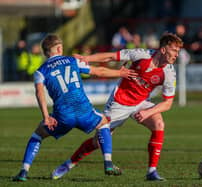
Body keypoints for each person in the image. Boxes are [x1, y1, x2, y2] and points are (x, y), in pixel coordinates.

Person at [51, 33, 183, 181]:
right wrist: (86, 59)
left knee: (159, 124)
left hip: (141, 103)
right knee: (97, 142)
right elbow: (112, 56)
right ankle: (69, 164)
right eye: (174, 50)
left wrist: (148, 112)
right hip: (119, 102)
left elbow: (168, 103)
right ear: (164, 50)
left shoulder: (169, 73)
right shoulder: (142, 54)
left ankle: (152, 171)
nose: (177, 55)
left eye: (178, 51)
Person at [12, 34, 138, 181]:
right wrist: (120, 73)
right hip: (83, 110)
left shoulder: (40, 71)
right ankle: (108, 162)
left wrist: (46, 117)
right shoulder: (73, 61)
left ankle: (23, 172)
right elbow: (99, 71)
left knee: (37, 135)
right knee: (104, 123)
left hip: (63, 116)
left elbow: (39, 92)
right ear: (59, 48)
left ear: (45, 52)